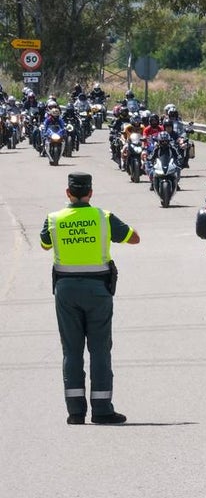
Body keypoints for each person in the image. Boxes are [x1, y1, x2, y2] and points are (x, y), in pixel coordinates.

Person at [40, 173, 140, 424]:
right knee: (99, 351)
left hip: (65, 291)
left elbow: (44, 245)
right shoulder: (103, 217)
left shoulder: (53, 219)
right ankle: (102, 410)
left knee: (71, 351)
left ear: (68, 193)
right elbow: (134, 238)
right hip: (98, 291)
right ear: (91, 193)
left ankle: (75, 413)